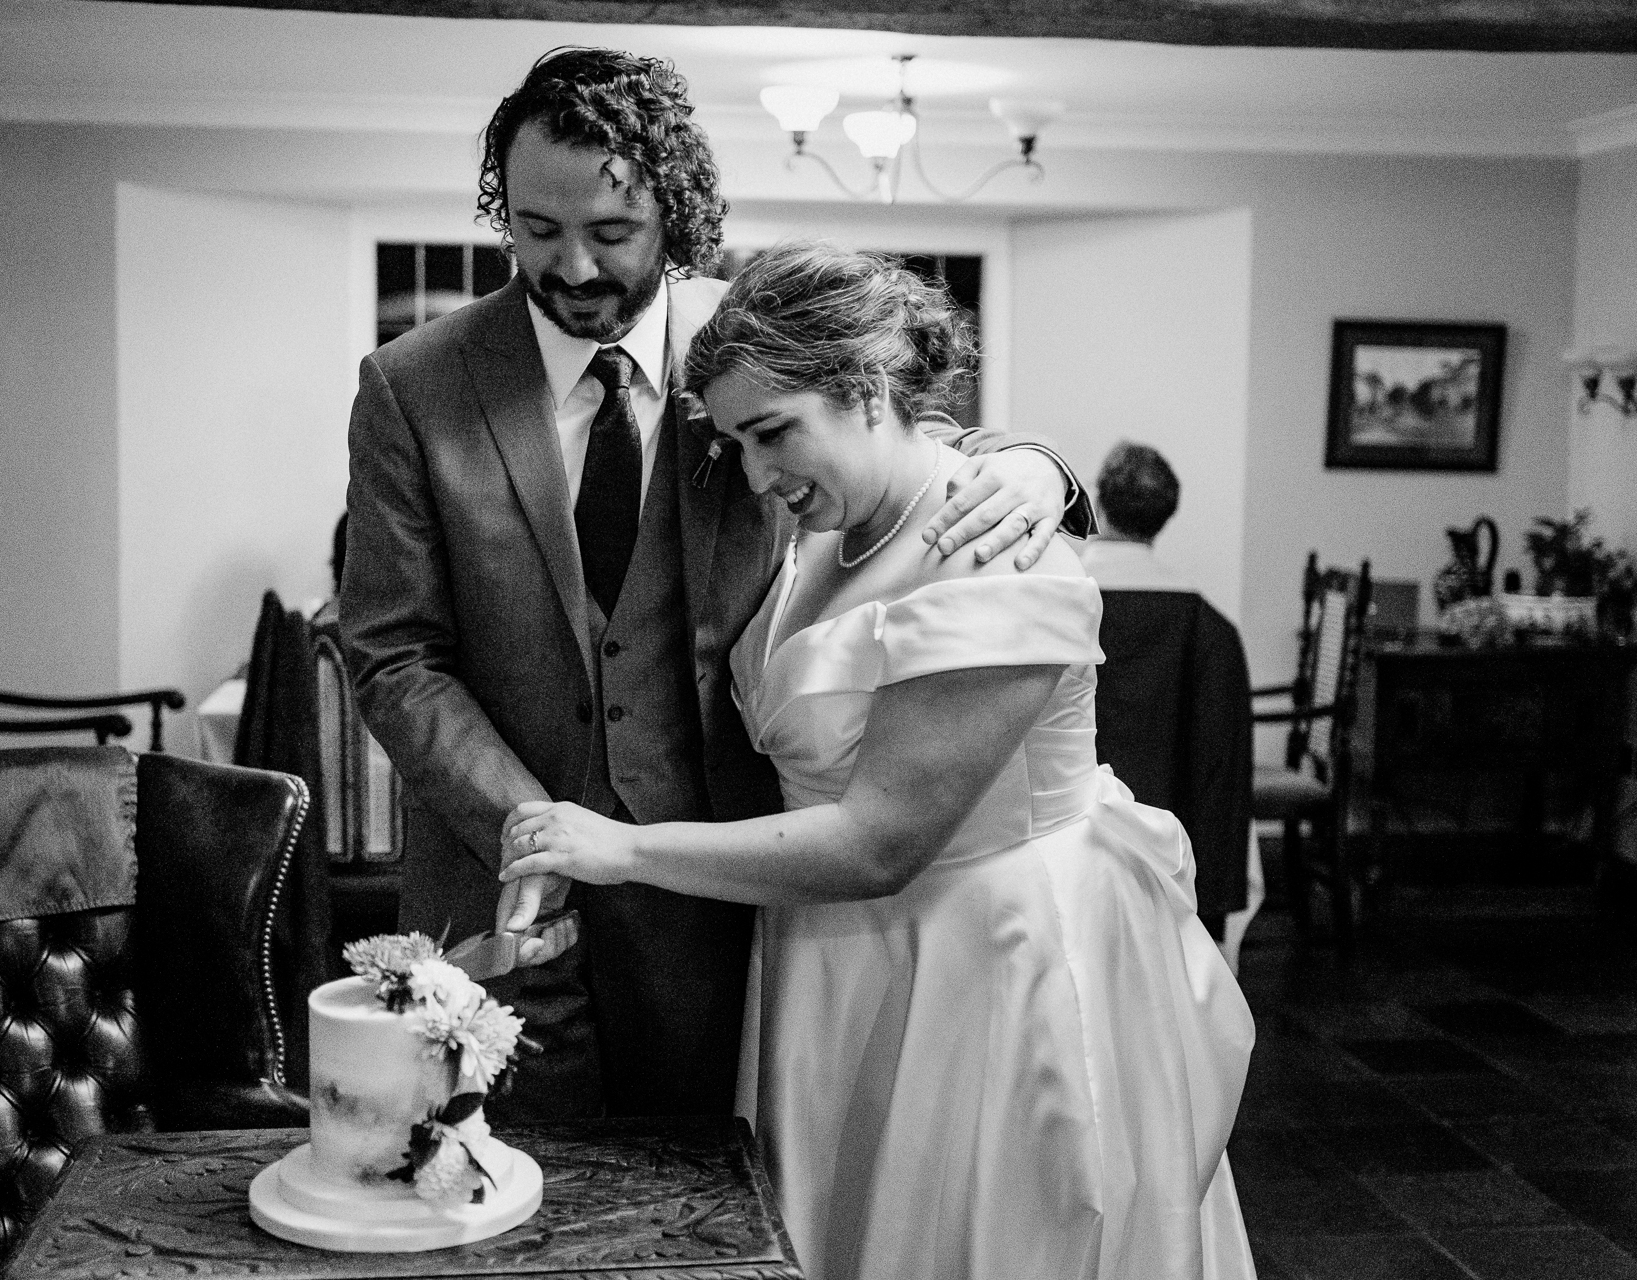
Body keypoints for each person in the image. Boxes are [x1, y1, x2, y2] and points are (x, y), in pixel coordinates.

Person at [341, 47, 1092, 1122]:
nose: (574, 268)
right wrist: (533, 824)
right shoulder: (412, 385)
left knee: (711, 1195)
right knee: (487, 1188)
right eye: (538, 231)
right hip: (498, 886)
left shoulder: (745, 343)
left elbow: (893, 435)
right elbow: (393, 651)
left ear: (677, 214)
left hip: (723, 892)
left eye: (611, 233)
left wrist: (1037, 467)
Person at [498, 244, 1256, 1280]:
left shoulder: (996, 553)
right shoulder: (823, 527)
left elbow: (877, 840)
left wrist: (621, 847)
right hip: (837, 961)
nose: (758, 475)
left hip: (984, 966)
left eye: (773, 435)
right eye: (737, 445)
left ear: (863, 386)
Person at [1081, 443, 1264, 971]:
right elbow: (1220, 775)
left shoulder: (1058, 608)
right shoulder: (1212, 632)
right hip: (1174, 888)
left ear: (1099, 501)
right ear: (1164, 517)